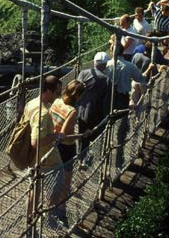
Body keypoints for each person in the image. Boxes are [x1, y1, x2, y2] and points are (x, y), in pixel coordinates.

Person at [24, 75, 64, 224]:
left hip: (33, 157)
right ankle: (49, 215)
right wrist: (55, 136)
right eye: (57, 92)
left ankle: (30, 216)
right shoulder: (43, 113)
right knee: (59, 181)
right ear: (48, 91)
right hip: (45, 158)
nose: (58, 96)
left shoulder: (31, 103)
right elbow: (36, 141)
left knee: (35, 187)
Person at [50, 79, 86, 226]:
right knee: (65, 181)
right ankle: (60, 209)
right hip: (66, 147)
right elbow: (63, 135)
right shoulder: (72, 111)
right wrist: (83, 135)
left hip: (53, 145)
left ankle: (51, 206)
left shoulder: (57, 102)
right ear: (77, 95)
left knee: (54, 178)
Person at [76, 52, 111, 159]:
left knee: (81, 136)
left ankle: (80, 158)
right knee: (94, 137)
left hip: (80, 111)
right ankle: (87, 158)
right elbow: (106, 100)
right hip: (96, 113)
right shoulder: (107, 79)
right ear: (105, 65)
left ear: (94, 62)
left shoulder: (83, 73)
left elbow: (76, 89)